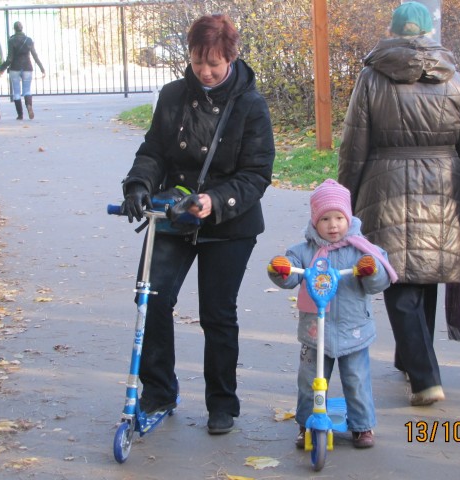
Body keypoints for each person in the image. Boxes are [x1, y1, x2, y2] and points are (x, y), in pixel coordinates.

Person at [120, 14, 275, 435]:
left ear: (231, 56)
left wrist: (215, 200)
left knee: (217, 314)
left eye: (214, 64)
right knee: (150, 298)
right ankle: (158, 391)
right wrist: (138, 185)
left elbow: (257, 174)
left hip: (229, 223)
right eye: (197, 62)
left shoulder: (251, 105)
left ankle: (222, 402)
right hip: (173, 212)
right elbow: (154, 150)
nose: (204, 72)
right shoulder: (173, 95)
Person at [337, 1, 460, 406]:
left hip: (384, 183)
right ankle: (410, 361)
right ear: (429, 35)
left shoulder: (373, 77)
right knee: (423, 273)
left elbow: (354, 143)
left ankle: (425, 378)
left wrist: (345, 195)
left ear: (393, 32)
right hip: (444, 184)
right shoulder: (457, 80)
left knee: (396, 279)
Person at [267, 179, 397, 449]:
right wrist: (281, 270)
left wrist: (370, 270)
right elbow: (291, 275)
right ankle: (306, 423)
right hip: (316, 332)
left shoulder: (362, 250)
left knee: (357, 379)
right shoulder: (304, 251)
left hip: (353, 329)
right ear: (315, 221)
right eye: (325, 218)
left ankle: (362, 426)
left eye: (339, 217)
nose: (333, 225)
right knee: (309, 381)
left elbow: (380, 281)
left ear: (348, 218)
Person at [0, 21, 46, 120]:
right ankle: (29, 106)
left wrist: (2, 68)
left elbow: (9, 59)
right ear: (22, 28)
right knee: (27, 90)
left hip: (15, 68)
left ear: (14, 29)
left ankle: (20, 115)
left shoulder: (11, 40)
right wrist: (42, 69)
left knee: (16, 92)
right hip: (27, 67)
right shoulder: (29, 40)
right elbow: (35, 56)